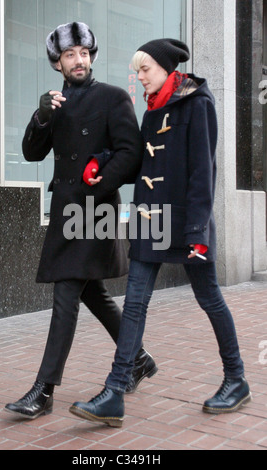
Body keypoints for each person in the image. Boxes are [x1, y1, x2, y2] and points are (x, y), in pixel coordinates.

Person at [69, 38, 251, 428]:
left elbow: (204, 172)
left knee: (210, 300)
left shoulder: (197, 104)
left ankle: (236, 379)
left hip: (186, 223)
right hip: (151, 221)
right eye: (137, 70)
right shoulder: (152, 111)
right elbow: (139, 160)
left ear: (167, 69)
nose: (140, 77)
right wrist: (100, 163)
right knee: (134, 303)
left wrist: (198, 230)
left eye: (145, 69)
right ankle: (115, 391)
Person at [4, 22, 158, 420]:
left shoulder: (111, 97)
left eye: (84, 53)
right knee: (91, 292)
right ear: (58, 63)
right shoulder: (55, 103)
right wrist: (40, 117)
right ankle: (137, 358)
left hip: (96, 209)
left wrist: (98, 181)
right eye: (70, 54)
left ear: (90, 56)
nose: (79, 60)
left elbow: (131, 153)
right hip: (66, 211)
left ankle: (44, 390)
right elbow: (32, 152)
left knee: (66, 293)